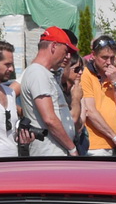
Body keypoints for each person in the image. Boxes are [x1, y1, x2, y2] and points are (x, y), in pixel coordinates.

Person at [20, 27, 81, 157]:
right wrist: (72, 149)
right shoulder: (37, 73)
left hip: (55, 152)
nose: (68, 56)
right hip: (50, 155)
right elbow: (49, 119)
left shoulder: (44, 73)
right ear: (53, 46)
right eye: (65, 51)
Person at [81, 36, 116, 154]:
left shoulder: (113, 75)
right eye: (104, 58)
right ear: (93, 55)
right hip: (95, 146)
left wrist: (115, 81)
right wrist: (115, 137)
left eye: (112, 58)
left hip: (115, 145)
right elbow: (90, 111)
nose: (109, 62)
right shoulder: (86, 75)